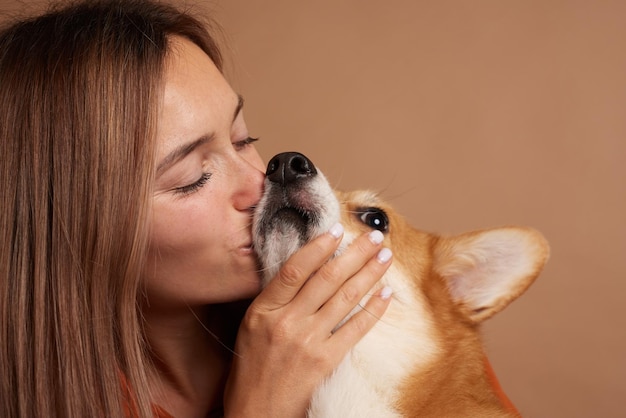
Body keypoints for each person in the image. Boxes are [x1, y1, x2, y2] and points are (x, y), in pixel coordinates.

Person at [0, 1, 395, 417]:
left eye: (243, 138)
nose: (259, 183)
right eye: (193, 177)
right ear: (69, 230)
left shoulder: (378, 331)